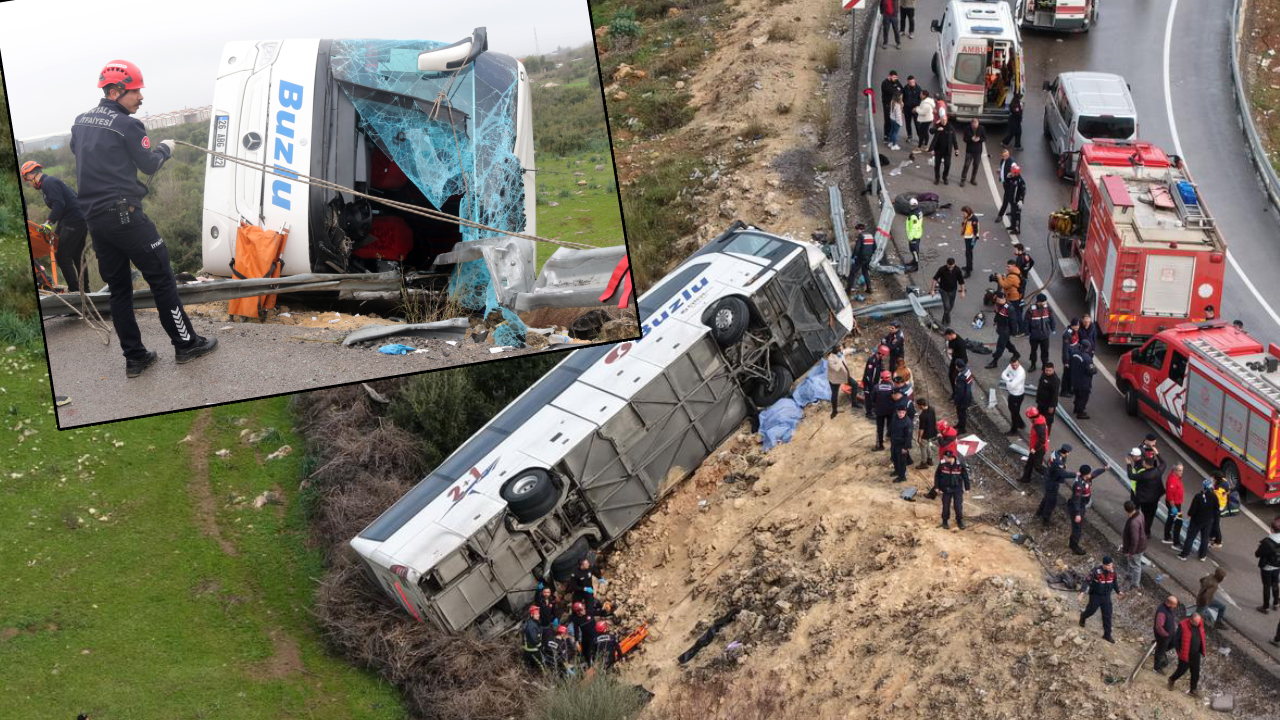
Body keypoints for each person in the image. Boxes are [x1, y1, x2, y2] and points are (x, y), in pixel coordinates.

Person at [71, 60, 217, 378]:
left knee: (119, 289)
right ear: (115, 91)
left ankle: (135, 358)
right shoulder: (128, 125)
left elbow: (84, 155)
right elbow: (149, 164)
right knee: (162, 280)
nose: (140, 97)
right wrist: (165, 149)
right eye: (136, 91)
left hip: (96, 222)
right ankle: (186, 344)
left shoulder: (81, 122)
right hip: (127, 219)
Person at [21, 161, 89, 293]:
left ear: (30, 176)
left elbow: (59, 204)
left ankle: (75, 291)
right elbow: (63, 208)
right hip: (77, 220)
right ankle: (85, 290)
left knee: (63, 258)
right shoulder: (50, 182)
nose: (30, 184)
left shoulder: (48, 182)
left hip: (73, 221)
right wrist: (56, 233)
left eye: (28, 181)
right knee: (78, 256)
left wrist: (48, 222)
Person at [1079, 556, 1124, 643]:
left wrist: (1118, 592)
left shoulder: (1113, 572)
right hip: (1095, 595)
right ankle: (1083, 616)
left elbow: (1114, 583)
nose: (1111, 567)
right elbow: (1086, 581)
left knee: (1108, 615)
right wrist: (1082, 592)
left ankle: (1107, 635)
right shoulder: (1095, 571)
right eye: (1109, 565)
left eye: (1111, 565)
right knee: (1091, 611)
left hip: (1106, 596)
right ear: (1104, 565)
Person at [1168, 612, 1208, 697]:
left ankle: (1193, 689)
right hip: (1185, 654)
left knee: (1196, 672)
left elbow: (1202, 635)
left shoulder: (1199, 623)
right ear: (1191, 620)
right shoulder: (1183, 626)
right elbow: (1176, 641)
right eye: (1196, 622)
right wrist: (1180, 653)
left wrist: (1202, 648)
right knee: (1181, 671)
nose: (1198, 623)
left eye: (1198, 621)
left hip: (1196, 654)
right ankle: (1171, 679)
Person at [1068, 465, 1106, 555]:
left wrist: (1104, 469)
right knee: (1077, 529)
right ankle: (1074, 546)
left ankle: (1072, 543)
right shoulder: (1079, 485)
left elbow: (1094, 474)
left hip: (1081, 506)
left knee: (1078, 527)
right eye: (1089, 473)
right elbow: (1076, 500)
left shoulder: (1085, 478)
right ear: (1086, 475)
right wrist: (1077, 514)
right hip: (1077, 508)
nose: (1091, 474)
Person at [1180, 480, 1218, 562]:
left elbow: (1192, 510)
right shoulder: (1214, 497)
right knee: (1205, 538)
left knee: (1190, 538)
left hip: (1196, 521)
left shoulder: (1198, 496)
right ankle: (1202, 556)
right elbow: (1216, 510)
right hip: (1208, 521)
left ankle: (1184, 555)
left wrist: (1189, 516)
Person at [1035, 444, 1073, 524]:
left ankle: (1039, 512)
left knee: (1047, 497)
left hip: (1049, 477)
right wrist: (1076, 474)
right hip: (1052, 482)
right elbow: (1063, 474)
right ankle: (1045, 519)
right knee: (1051, 502)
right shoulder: (1058, 462)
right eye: (1069, 452)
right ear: (1066, 452)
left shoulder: (1055, 453)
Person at [1132, 453, 1167, 536]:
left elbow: (1131, 476)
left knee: (1144, 514)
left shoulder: (1143, 474)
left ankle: (1141, 530)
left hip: (1145, 500)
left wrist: (1128, 465)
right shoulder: (1158, 471)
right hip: (1154, 499)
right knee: (1150, 516)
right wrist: (1158, 453)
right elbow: (1164, 463)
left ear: (1145, 464)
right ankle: (1146, 531)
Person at [933, 450, 970, 529]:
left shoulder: (960, 464)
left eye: (945, 457)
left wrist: (967, 488)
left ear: (950, 457)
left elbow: (965, 477)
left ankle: (959, 521)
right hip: (946, 488)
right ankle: (945, 522)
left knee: (958, 506)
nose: (944, 458)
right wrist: (936, 487)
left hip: (957, 489)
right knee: (945, 506)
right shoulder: (942, 463)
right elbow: (937, 475)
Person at [985, 291, 1019, 369]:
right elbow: (997, 314)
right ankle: (1016, 353)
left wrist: (1014, 332)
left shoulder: (1009, 308)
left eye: (1000, 300)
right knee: (1006, 343)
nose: (998, 301)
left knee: (1000, 346)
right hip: (1000, 328)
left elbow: (1013, 321)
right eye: (998, 299)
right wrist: (995, 320)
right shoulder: (998, 304)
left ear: (1004, 299)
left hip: (1006, 330)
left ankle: (994, 361)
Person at [1120, 500, 1149, 590]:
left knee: (1136, 565)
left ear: (1127, 510)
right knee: (1132, 562)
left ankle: (1135, 584)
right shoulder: (1140, 513)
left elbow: (1135, 540)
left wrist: (1131, 552)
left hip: (1136, 548)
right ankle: (1129, 575)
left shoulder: (1133, 523)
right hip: (1141, 544)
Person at [1024, 294, 1055, 371]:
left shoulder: (1048, 308)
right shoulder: (1031, 309)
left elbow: (1052, 319)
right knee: (1033, 351)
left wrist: (1053, 328)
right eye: (1044, 301)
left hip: (1045, 336)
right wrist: (1027, 333)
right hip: (1034, 336)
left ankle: (1044, 365)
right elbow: (1026, 322)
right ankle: (1033, 365)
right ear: (1039, 302)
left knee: (1045, 352)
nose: (1046, 302)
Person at [1256, 517, 1280, 613]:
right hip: (1277, 565)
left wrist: (1259, 547)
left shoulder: (1267, 542)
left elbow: (1257, 554)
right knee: (1275, 584)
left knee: (1266, 586)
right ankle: (1276, 603)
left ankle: (1265, 607)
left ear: (1272, 529)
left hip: (1267, 567)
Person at [932, 258, 965, 326]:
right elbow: (935, 279)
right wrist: (932, 290)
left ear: (954, 264)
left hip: (953, 291)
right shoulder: (942, 269)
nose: (950, 268)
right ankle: (947, 321)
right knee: (947, 307)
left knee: (950, 306)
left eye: (952, 267)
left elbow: (961, 281)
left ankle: (944, 319)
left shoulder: (957, 270)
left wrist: (963, 291)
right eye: (949, 267)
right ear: (946, 264)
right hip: (944, 291)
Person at [1069, 339, 1097, 419]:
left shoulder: (1074, 353)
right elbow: (1091, 370)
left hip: (1074, 379)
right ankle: (1080, 412)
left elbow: (1070, 363)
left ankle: (1076, 408)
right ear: (1088, 348)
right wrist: (1095, 369)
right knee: (1083, 397)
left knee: (1078, 395)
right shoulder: (1087, 358)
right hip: (1084, 381)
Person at [995, 163, 1027, 235]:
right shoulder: (1012, 178)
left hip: (1018, 202)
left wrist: (1021, 200)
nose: (1011, 173)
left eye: (1012, 172)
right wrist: (1007, 177)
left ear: (1016, 173)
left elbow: (1023, 191)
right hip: (1013, 200)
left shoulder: (1020, 181)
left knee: (1017, 216)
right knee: (1012, 214)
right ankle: (1012, 226)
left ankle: (1017, 230)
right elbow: (1007, 183)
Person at [1020, 408, 1049, 483]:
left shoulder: (1039, 426)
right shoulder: (1040, 419)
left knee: (1037, 466)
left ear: (1032, 417)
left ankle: (1051, 474)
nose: (1029, 419)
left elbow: (1042, 440)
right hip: (1036, 447)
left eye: (1029, 418)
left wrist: (1034, 449)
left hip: (1039, 449)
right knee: (1029, 464)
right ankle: (1025, 479)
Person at [1153, 596, 1180, 674]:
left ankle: (1159, 651)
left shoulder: (1169, 609)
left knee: (1174, 643)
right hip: (1163, 636)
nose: (1175, 606)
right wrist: (1165, 635)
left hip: (1170, 635)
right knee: (1160, 650)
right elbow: (1159, 627)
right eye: (1175, 604)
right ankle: (1156, 668)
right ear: (1170, 603)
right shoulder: (1162, 612)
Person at [928, 116, 958, 185]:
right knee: (937, 165)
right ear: (940, 120)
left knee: (947, 165)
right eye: (942, 120)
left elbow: (954, 139)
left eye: (945, 120)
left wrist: (956, 149)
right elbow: (931, 131)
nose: (943, 121)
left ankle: (945, 177)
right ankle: (937, 178)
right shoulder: (937, 125)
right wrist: (937, 129)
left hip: (947, 150)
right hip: (938, 150)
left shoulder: (951, 128)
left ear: (947, 120)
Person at [863, 345, 890, 418]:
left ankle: (873, 408)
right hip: (869, 383)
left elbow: (881, 368)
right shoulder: (872, 360)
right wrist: (870, 385)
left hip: (875, 382)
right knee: (868, 398)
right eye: (885, 355)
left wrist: (886, 373)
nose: (885, 357)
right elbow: (868, 375)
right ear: (881, 354)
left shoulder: (879, 359)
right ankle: (868, 413)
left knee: (874, 396)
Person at [1001, 357, 1027, 434]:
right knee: (1013, 410)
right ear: (1010, 363)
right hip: (1012, 393)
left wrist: (1007, 381)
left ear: (1018, 362)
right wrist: (1009, 380)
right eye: (1013, 365)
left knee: (1014, 413)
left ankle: (1014, 430)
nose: (1014, 367)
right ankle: (1021, 424)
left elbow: (1012, 385)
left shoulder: (1021, 372)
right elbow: (1003, 374)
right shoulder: (1010, 366)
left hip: (1017, 395)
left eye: (1016, 365)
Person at [826, 344, 853, 418]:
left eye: (840, 349)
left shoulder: (839, 353)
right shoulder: (830, 359)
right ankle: (834, 411)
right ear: (835, 351)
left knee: (855, 385)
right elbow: (836, 369)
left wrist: (853, 350)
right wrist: (840, 358)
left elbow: (845, 351)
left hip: (844, 376)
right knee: (834, 395)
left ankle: (854, 403)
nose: (841, 350)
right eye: (839, 349)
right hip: (835, 380)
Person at [873, 370, 897, 450]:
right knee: (891, 427)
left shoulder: (876, 387)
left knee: (880, 428)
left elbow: (873, 399)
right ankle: (892, 445)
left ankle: (880, 445)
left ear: (881, 378)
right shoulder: (893, 387)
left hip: (879, 411)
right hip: (890, 411)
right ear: (890, 378)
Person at [1163, 463, 1186, 547]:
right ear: (1174, 471)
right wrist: (1173, 508)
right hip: (1174, 505)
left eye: (1182, 470)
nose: (1181, 472)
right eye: (1179, 470)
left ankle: (1167, 537)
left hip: (1176, 503)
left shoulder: (1175, 476)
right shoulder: (1172, 481)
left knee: (1170, 518)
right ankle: (1176, 543)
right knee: (1179, 522)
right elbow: (1170, 497)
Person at [849, 223, 876, 294]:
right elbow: (875, 247)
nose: (857, 231)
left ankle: (848, 290)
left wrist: (853, 257)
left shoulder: (861, 236)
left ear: (859, 230)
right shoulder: (871, 235)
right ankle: (869, 289)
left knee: (852, 272)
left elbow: (857, 249)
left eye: (857, 230)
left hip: (861, 258)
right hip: (868, 258)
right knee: (865, 272)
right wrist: (870, 254)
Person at [889, 406, 914, 482]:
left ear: (905, 412)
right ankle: (896, 471)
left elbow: (909, 437)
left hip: (902, 445)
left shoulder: (908, 422)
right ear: (897, 412)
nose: (901, 414)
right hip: (894, 443)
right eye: (899, 412)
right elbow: (891, 427)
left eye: (903, 412)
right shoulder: (895, 417)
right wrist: (888, 435)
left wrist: (905, 448)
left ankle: (902, 477)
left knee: (902, 462)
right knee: (894, 458)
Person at [959, 118, 985, 187]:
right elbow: (964, 139)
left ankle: (973, 179)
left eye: (976, 123)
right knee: (966, 165)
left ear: (978, 123)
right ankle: (963, 179)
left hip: (978, 151)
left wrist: (979, 139)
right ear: (971, 124)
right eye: (974, 123)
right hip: (969, 151)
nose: (975, 125)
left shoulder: (981, 128)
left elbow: (984, 138)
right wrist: (971, 139)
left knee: (976, 165)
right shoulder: (967, 129)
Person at [1036, 362, 1061, 432]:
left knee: (1047, 421)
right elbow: (1040, 386)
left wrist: (1052, 406)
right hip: (1041, 402)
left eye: (1049, 370)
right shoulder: (1044, 374)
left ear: (1053, 370)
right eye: (1046, 370)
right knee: (1039, 418)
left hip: (1048, 405)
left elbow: (1055, 395)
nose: (1047, 372)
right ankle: (1039, 431)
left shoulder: (1055, 380)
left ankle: (1046, 433)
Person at [1059, 318, 1080, 398]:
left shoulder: (1075, 332)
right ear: (1072, 325)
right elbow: (1065, 350)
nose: (1077, 327)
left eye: (1078, 325)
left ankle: (1070, 389)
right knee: (1066, 375)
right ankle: (1064, 391)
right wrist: (1066, 362)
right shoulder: (1067, 334)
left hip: (1073, 357)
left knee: (1071, 374)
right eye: (1076, 326)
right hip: (1069, 358)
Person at [952, 359, 974, 434]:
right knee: (962, 413)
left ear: (958, 367)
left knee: (961, 413)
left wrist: (956, 401)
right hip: (968, 395)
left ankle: (962, 429)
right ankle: (960, 424)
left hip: (963, 399)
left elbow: (960, 393)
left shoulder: (961, 378)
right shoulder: (967, 370)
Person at [915, 397, 937, 469]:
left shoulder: (922, 416)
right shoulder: (932, 409)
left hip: (925, 434)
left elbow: (921, 428)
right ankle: (930, 460)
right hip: (932, 432)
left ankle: (923, 463)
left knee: (923, 448)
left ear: (921, 405)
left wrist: (919, 437)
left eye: (918, 405)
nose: (917, 406)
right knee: (928, 445)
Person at [881, 69, 903, 139]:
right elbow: (891, 91)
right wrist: (897, 89)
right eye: (894, 77)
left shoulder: (896, 81)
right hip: (887, 104)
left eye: (896, 77)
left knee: (893, 119)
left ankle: (891, 135)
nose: (895, 79)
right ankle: (886, 135)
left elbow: (901, 89)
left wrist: (897, 90)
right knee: (888, 119)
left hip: (894, 103)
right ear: (889, 76)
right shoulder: (885, 83)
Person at [1209, 475, 1230, 548]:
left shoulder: (1218, 490)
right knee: (1214, 523)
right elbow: (1228, 491)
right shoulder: (1225, 481)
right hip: (1222, 505)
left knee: (1216, 524)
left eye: (1213, 478)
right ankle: (1212, 536)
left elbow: (1214, 499)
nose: (1212, 479)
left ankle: (1218, 542)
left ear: (1216, 479)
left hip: (1217, 508)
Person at [960, 206, 980, 278]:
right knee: (969, 252)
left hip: (971, 238)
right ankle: (970, 266)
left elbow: (975, 231)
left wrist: (973, 242)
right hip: (967, 237)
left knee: (968, 254)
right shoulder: (968, 218)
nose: (963, 214)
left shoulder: (973, 219)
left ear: (967, 212)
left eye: (964, 213)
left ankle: (968, 272)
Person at [523, 605, 545, 670]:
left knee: (533, 664)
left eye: (538, 614)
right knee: (541, 664)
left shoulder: (534, 622)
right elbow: (534, 639)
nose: (538, 615)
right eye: (536, 614)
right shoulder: (531, 625)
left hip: (533, 648)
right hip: (532, 649)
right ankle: (546, 674)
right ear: (532, 615)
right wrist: (540, 645)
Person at [902, 75, 923, 143]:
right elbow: (903, 98)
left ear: (915, 81)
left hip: (915, 109)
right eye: (910, 82)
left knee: (917, 124)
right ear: (908, 82)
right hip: (907, 109)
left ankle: (920, 137)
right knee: (908, 123)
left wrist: (917, 107)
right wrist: (903, 107)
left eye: (913, 82)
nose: (912, 83)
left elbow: (921, 100)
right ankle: (909, 136)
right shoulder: (905, 88)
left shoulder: (918, 89)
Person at [904, 199, 923, 271]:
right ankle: (914, 261)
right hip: (917, 233)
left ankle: (915, 266)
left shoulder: (913, 216)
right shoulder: (919, 210)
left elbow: (914, 228)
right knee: (914, 250)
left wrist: (910, 237)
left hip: (914, 236)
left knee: (914, 251)